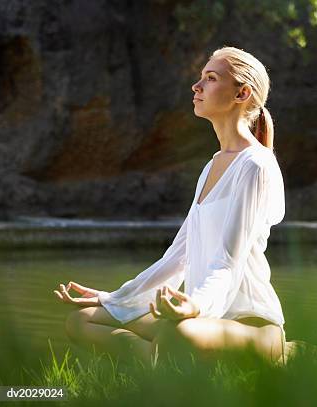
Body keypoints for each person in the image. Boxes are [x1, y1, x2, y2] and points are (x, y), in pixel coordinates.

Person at [53, 46, 294, 367]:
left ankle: (280, 351)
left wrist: (194, 306)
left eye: (210, 78)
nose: (197, 87)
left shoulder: (255, 165)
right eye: (200, 78)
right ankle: (161, 360)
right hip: (198, 317)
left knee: (177, 335)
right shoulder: (212, 166)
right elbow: (179, 256)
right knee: (83, 320)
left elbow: (227, 261)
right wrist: (113, 298)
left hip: (248, 324)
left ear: (242, 93)